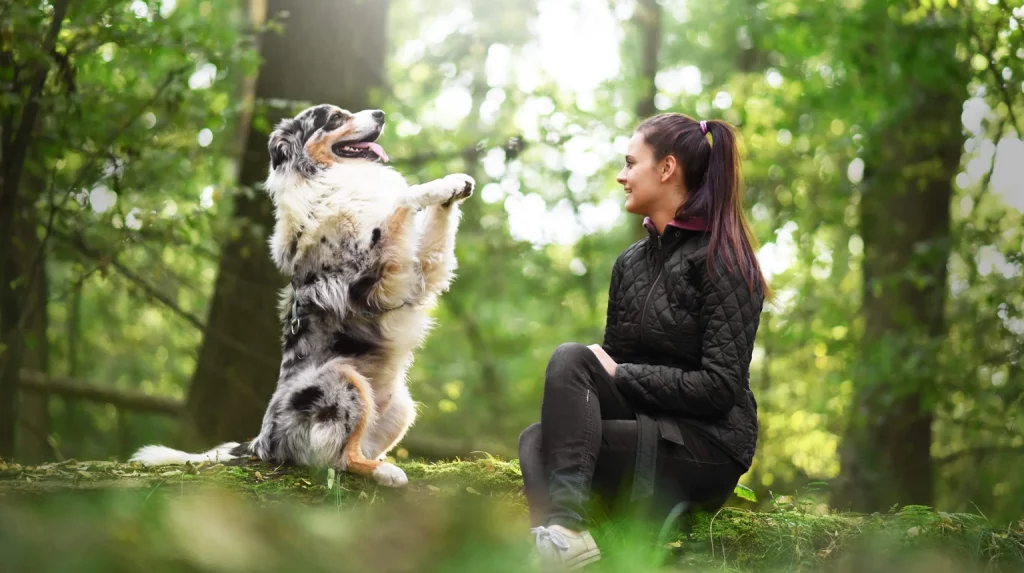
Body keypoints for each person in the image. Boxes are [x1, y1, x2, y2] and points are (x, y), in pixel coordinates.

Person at [518, 113, 769, 570]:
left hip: (706, 448)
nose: (622, 175)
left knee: (558, 412)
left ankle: (565, 537)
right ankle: (565, 542)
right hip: (647, 425)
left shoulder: (725, 260)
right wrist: (606, 367)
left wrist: (620, 373)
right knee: (543, 425)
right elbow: (616, 366)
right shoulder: (631, 263)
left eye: (631, 163)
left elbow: (719, 388)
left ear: (667, 168)